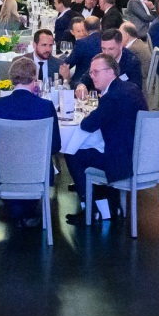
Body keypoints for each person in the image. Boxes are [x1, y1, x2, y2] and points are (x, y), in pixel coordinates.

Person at [64, 54, 150, 214]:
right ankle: (110, 204)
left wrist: (91, 115)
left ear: (111, 72)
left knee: (72, 152)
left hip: (124, 162)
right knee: (97, 146)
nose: (92, 76)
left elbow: (87, 125)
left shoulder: (111, 97)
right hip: (145, 155)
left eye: (96, 72)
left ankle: (90, 208)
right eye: (91, 72)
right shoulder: (132, 89)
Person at [0, 57, 60, 225]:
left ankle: (15, 210)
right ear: (34, 77)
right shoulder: (46, 106)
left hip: (4, 172)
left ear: (11, 78)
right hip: (37, 172)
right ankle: (26, 211)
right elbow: (55, 146)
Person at [60, 18, 101, 89]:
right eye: (78, 31)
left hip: (82, 83)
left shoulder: (82, 43)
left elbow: (68, 64)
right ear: (100, 26)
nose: (81, 34)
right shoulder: (106, 39)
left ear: (85, 28)